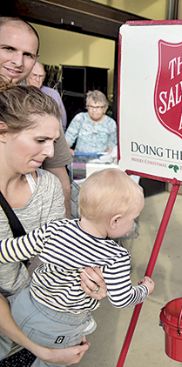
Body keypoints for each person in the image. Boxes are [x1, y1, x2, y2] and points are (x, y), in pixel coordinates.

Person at [0, 168, 154, 367]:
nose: (133, 223)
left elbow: (10, 251)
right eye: (132, 218)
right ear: (115, 221)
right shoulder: (116, 256)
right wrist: (144, 290)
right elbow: (121, 299)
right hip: (58, 326)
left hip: (22, 305)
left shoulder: (55, 228)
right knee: (51, 363)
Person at [0, 79, 106, 365]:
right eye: (40, 140)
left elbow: (57, 258)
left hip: (38, 318)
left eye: (54, 141)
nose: (49, 152)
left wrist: (90, 287)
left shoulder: (47, 186)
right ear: (3, 131)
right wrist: (40, 349)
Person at [0, 16, 73, 218]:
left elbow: (58, 173)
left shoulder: (39, 106)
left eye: (28, 54)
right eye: (8, 48)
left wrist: (64, 234)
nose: (18, 62)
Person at [65, 90, 117, 154]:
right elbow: (66, 141)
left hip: (101, 161)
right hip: (80, 159)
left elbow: (112, 148)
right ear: (87, 107)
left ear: (104, 108)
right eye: (91, 106)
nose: (94, 110)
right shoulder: (80, 118)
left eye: (98, 107)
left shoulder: (111, 123)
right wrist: (72, 153)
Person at [26, 61, 68, 130]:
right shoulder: (18, 92)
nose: (37, 79)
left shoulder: (53, 94)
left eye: (41, 76)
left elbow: (62, 121)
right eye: (34, 75)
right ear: (27, 75)